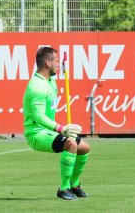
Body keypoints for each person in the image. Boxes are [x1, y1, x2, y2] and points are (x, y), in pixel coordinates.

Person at [23, 47, 91, 200]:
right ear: (48, 63)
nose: (59, 65)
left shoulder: (51, 81)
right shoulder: (37, 86)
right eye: (56, 62)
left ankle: (74, 184)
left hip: (49, 131)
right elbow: (39, 117)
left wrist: (60, 129)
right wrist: (62, 128)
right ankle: (64, 188)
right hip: (36, 133)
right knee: (71, 144)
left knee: (84, 148)